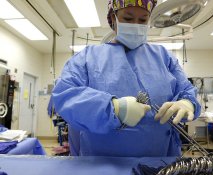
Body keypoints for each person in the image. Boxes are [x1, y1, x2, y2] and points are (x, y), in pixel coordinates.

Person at [52, 0, 201, 157]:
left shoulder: (163, 57)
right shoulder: (87, 57)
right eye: (128, 19)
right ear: (113, 18)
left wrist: (187, 102)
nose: (136, 25)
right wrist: (114, 108)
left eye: (143, 20)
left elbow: (186, 90)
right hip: (101, 163)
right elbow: (66, 95)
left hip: (159, 160)